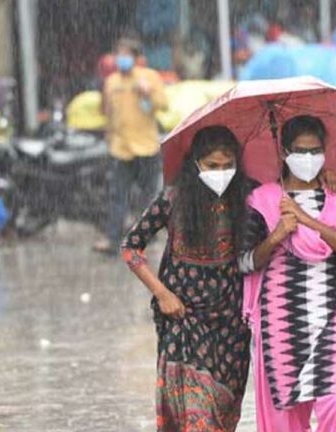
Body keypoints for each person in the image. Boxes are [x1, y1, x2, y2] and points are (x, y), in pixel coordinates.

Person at [240, 115, 336, 432]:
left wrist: (308, 221)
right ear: (283, 153)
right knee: (286, 416)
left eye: (315, 151)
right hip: (282, 322)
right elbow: (244, 262)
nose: (308, 159)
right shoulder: (262, 201)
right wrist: (276, 236)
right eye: (300, 151)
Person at [120, 126, 251, 431]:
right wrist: (162, 293)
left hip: (231, 327)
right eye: (212, 166)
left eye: (227, 166)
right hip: (183, 321)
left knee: (223, 416)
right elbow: (130, 248)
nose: (221, 173)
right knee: (197, 420)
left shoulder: (246, 196)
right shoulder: (173, 198)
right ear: (196, 164)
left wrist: (327, 178)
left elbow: (286, 195)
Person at [96, 37, 167, 255]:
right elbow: (106, 112)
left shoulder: (150, 78)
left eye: (127, 54)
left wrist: (147, 93)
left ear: (137, 58)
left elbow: (163, 105)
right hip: (120, 148)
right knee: (118, 195)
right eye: (119, 54)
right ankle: (113, 239)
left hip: (147, 146)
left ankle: (147, 237)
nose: (122, 59)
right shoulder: (111, 82)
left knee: (149, 196)